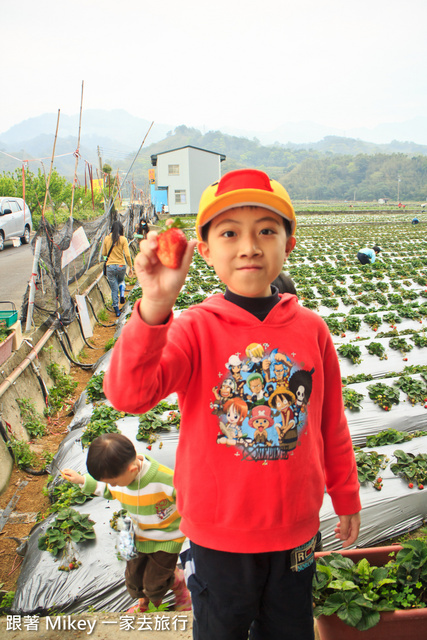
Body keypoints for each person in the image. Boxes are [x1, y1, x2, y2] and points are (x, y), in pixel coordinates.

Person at [103, 169, 361, 640]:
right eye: (229, 232)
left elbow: (330, 422)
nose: (249, 246)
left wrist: (345, 495)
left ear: (289, 242)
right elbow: (129, 396)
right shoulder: (193, 329)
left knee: (289, 629)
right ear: (205, 251)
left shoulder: (311, 329)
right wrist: (155, 306)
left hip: (297, 532)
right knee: (220, 629)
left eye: (267, 229)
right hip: (218, 537)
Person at [62, 433, 191, 614]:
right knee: (134, 579)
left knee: (155, 583)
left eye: (114, 483)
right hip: (136, 535)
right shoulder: (119, 477)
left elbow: (189, 499)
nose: (112, 487)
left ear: (131, 470)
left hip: (166, 538)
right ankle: (142, 603)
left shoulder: (165, 479)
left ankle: (179, 585)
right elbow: (106, 488)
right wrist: (82, 480)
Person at [101, 221, 133, 317]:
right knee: (121, 280)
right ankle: (122, 293)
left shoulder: (107, 238)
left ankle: (116, 309)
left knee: (114, 289)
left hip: (110, 266)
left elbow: (104, 253)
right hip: (121, 266)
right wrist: (130, 266)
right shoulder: (123, 239)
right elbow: (127, 254)